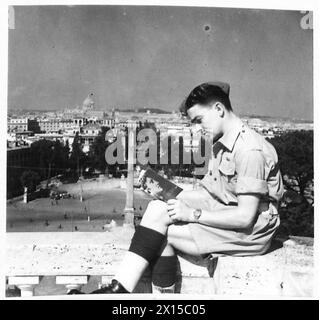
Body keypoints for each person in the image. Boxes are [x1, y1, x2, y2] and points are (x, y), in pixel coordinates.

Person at [68, 81, 284, 295]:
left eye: (199, 120)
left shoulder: (248, 150)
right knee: (156, 208)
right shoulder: (224, 141)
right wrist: (166, 191)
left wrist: (192, 213)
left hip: (250, 233)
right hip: (226, 211)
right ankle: (118, 288)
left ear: (219, 108)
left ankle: (154, 297)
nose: (197, 129)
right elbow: (212, 193)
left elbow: (245, 217)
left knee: (161, 233)